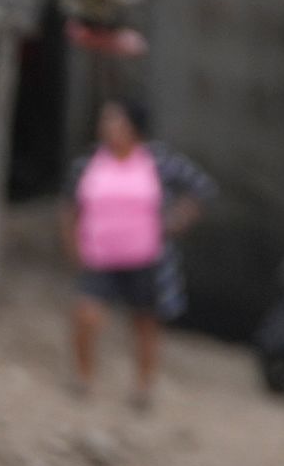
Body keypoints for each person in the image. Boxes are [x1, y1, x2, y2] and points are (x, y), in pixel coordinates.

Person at [68, 97, 214, 410]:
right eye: (105, 120)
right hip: (100, 256)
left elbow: (201, 188)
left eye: (115, 120)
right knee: (87, 314)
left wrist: (177, 220)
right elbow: (69, 206)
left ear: (133, 126)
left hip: (145, 258)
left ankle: (143, 386)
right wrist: (74, 246)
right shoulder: (90, 162)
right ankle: (84, 378)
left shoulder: (157, 161)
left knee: (145, 323)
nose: (107, 127)